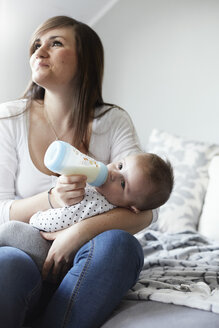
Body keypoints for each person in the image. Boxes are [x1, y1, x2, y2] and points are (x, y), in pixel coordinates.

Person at [0, 15, 160, 328]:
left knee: (121, 246)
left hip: (88, 260)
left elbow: (146, 210)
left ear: (85, 60)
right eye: (37, 44)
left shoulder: (112, 122)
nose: (39, 51)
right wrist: (51, 199)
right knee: (6, 263)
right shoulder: (9, 119)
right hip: (26, 254)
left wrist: (78, 233)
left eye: (55, 43)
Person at [0, 152, 174, 271]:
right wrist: (55, 195)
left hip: (48, 248)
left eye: (123, 184)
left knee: (10, 231)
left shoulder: (104, 207)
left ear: (131, 207)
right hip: (38, 235)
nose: (113, 174)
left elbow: (153, 211)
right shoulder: (92, 184)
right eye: (120, 165)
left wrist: (78, 231)